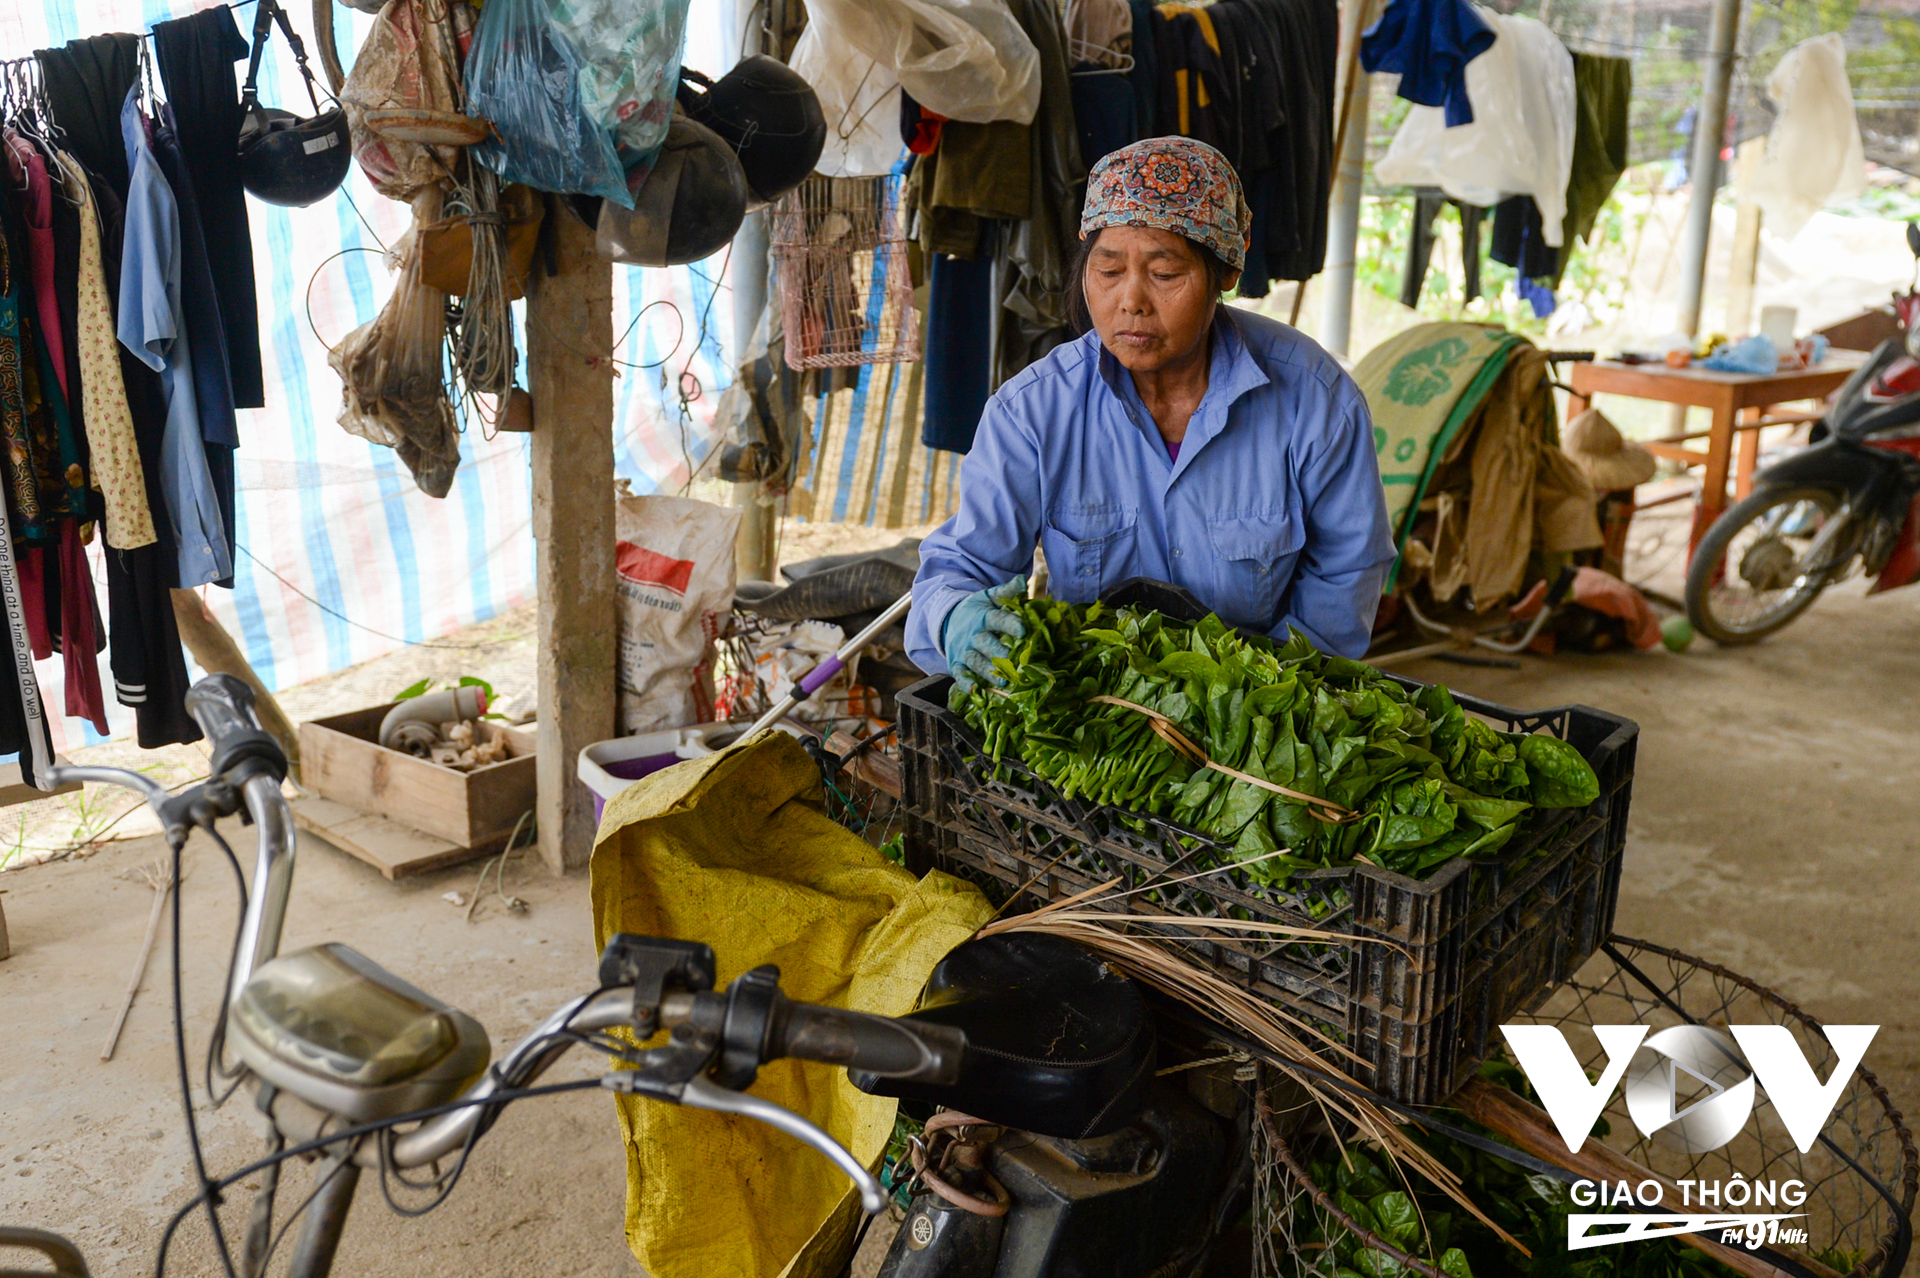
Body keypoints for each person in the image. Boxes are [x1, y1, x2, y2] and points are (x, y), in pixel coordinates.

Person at [907, 137, 1395, 687]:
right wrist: (953, 618)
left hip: (1265, 715)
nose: (1131, 301)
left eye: (1164, 275)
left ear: (1226, 272)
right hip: (1097, 712)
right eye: (1109, 272)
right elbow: (962, 566)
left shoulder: (1316, 401)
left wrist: (1258, 702)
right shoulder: (1032, 413)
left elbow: (1347, 572)